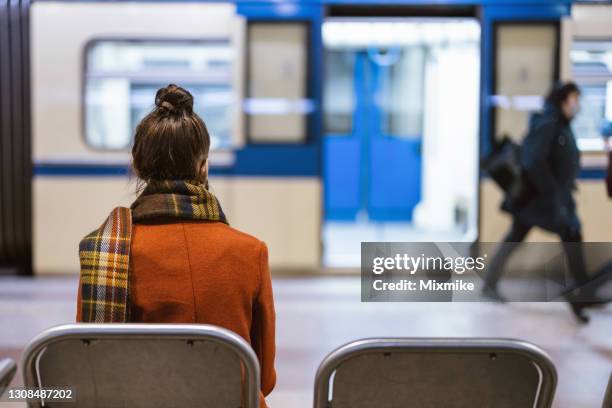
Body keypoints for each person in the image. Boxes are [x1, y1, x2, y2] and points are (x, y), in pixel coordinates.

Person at [76, 84, 276, 407]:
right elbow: (263, 378)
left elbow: (93, 365)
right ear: (203, 167)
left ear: (138, 168)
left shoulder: (101, 252)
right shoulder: (251, 252)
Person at [483, 82, 605, 323]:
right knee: (567, 233)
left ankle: (582, 290)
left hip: (547, 199)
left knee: (558, 234)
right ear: (563, 100)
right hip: (542, 200)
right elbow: (533, 160)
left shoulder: (560, 124)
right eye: (574, 99)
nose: (577, 105)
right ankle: (582, 292)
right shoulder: (548, 124)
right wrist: (553, 190)